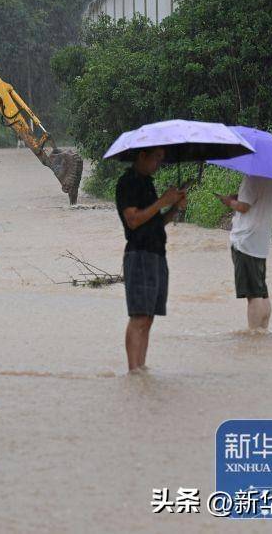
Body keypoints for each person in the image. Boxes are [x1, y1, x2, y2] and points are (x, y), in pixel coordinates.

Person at [115, 147, 187, 373]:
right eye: (156, 158)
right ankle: (133, 370)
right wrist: (163, 201)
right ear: (142, 156)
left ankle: (141, 368)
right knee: (139, 316)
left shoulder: (147, 183)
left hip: (157, 254)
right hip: (139, 255)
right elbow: (134, 221)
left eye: (161, 159)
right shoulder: (128, 182)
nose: (158, 163)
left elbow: (155, 222)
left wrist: (174, 208)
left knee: (149, 317)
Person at [218, 174, 272, 330]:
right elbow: (255, 200)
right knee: (262, 291)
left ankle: (253, 336)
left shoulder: (251, 177)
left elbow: (244, 207)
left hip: (246, 240)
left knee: (253, 295)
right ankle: (263, 330)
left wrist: (229, 201)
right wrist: (238, 197)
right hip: (261, 241)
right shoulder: (271, 178)